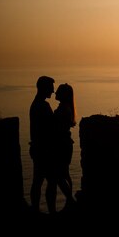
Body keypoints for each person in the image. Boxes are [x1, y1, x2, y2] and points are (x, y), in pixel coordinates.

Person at [29, 75, 57, 213]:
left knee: (38, 181)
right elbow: (52, 127)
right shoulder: (43, 106)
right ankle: (51, 211)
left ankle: (36, 210)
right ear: (44, 88)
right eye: (51, 88)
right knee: (51, 182)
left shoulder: (35, 104)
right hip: (44, 149)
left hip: (38, 148)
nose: (53, 91)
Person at [53, 83, 77, 211]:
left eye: (58, 91)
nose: (55, 93)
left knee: (59, 175)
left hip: (62, 145)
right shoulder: (65, 107)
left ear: (63, 95)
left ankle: (70, 201)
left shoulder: (63, 109)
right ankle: (69, 202)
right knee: (65, 174)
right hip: (65, 144)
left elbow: (58, 128)